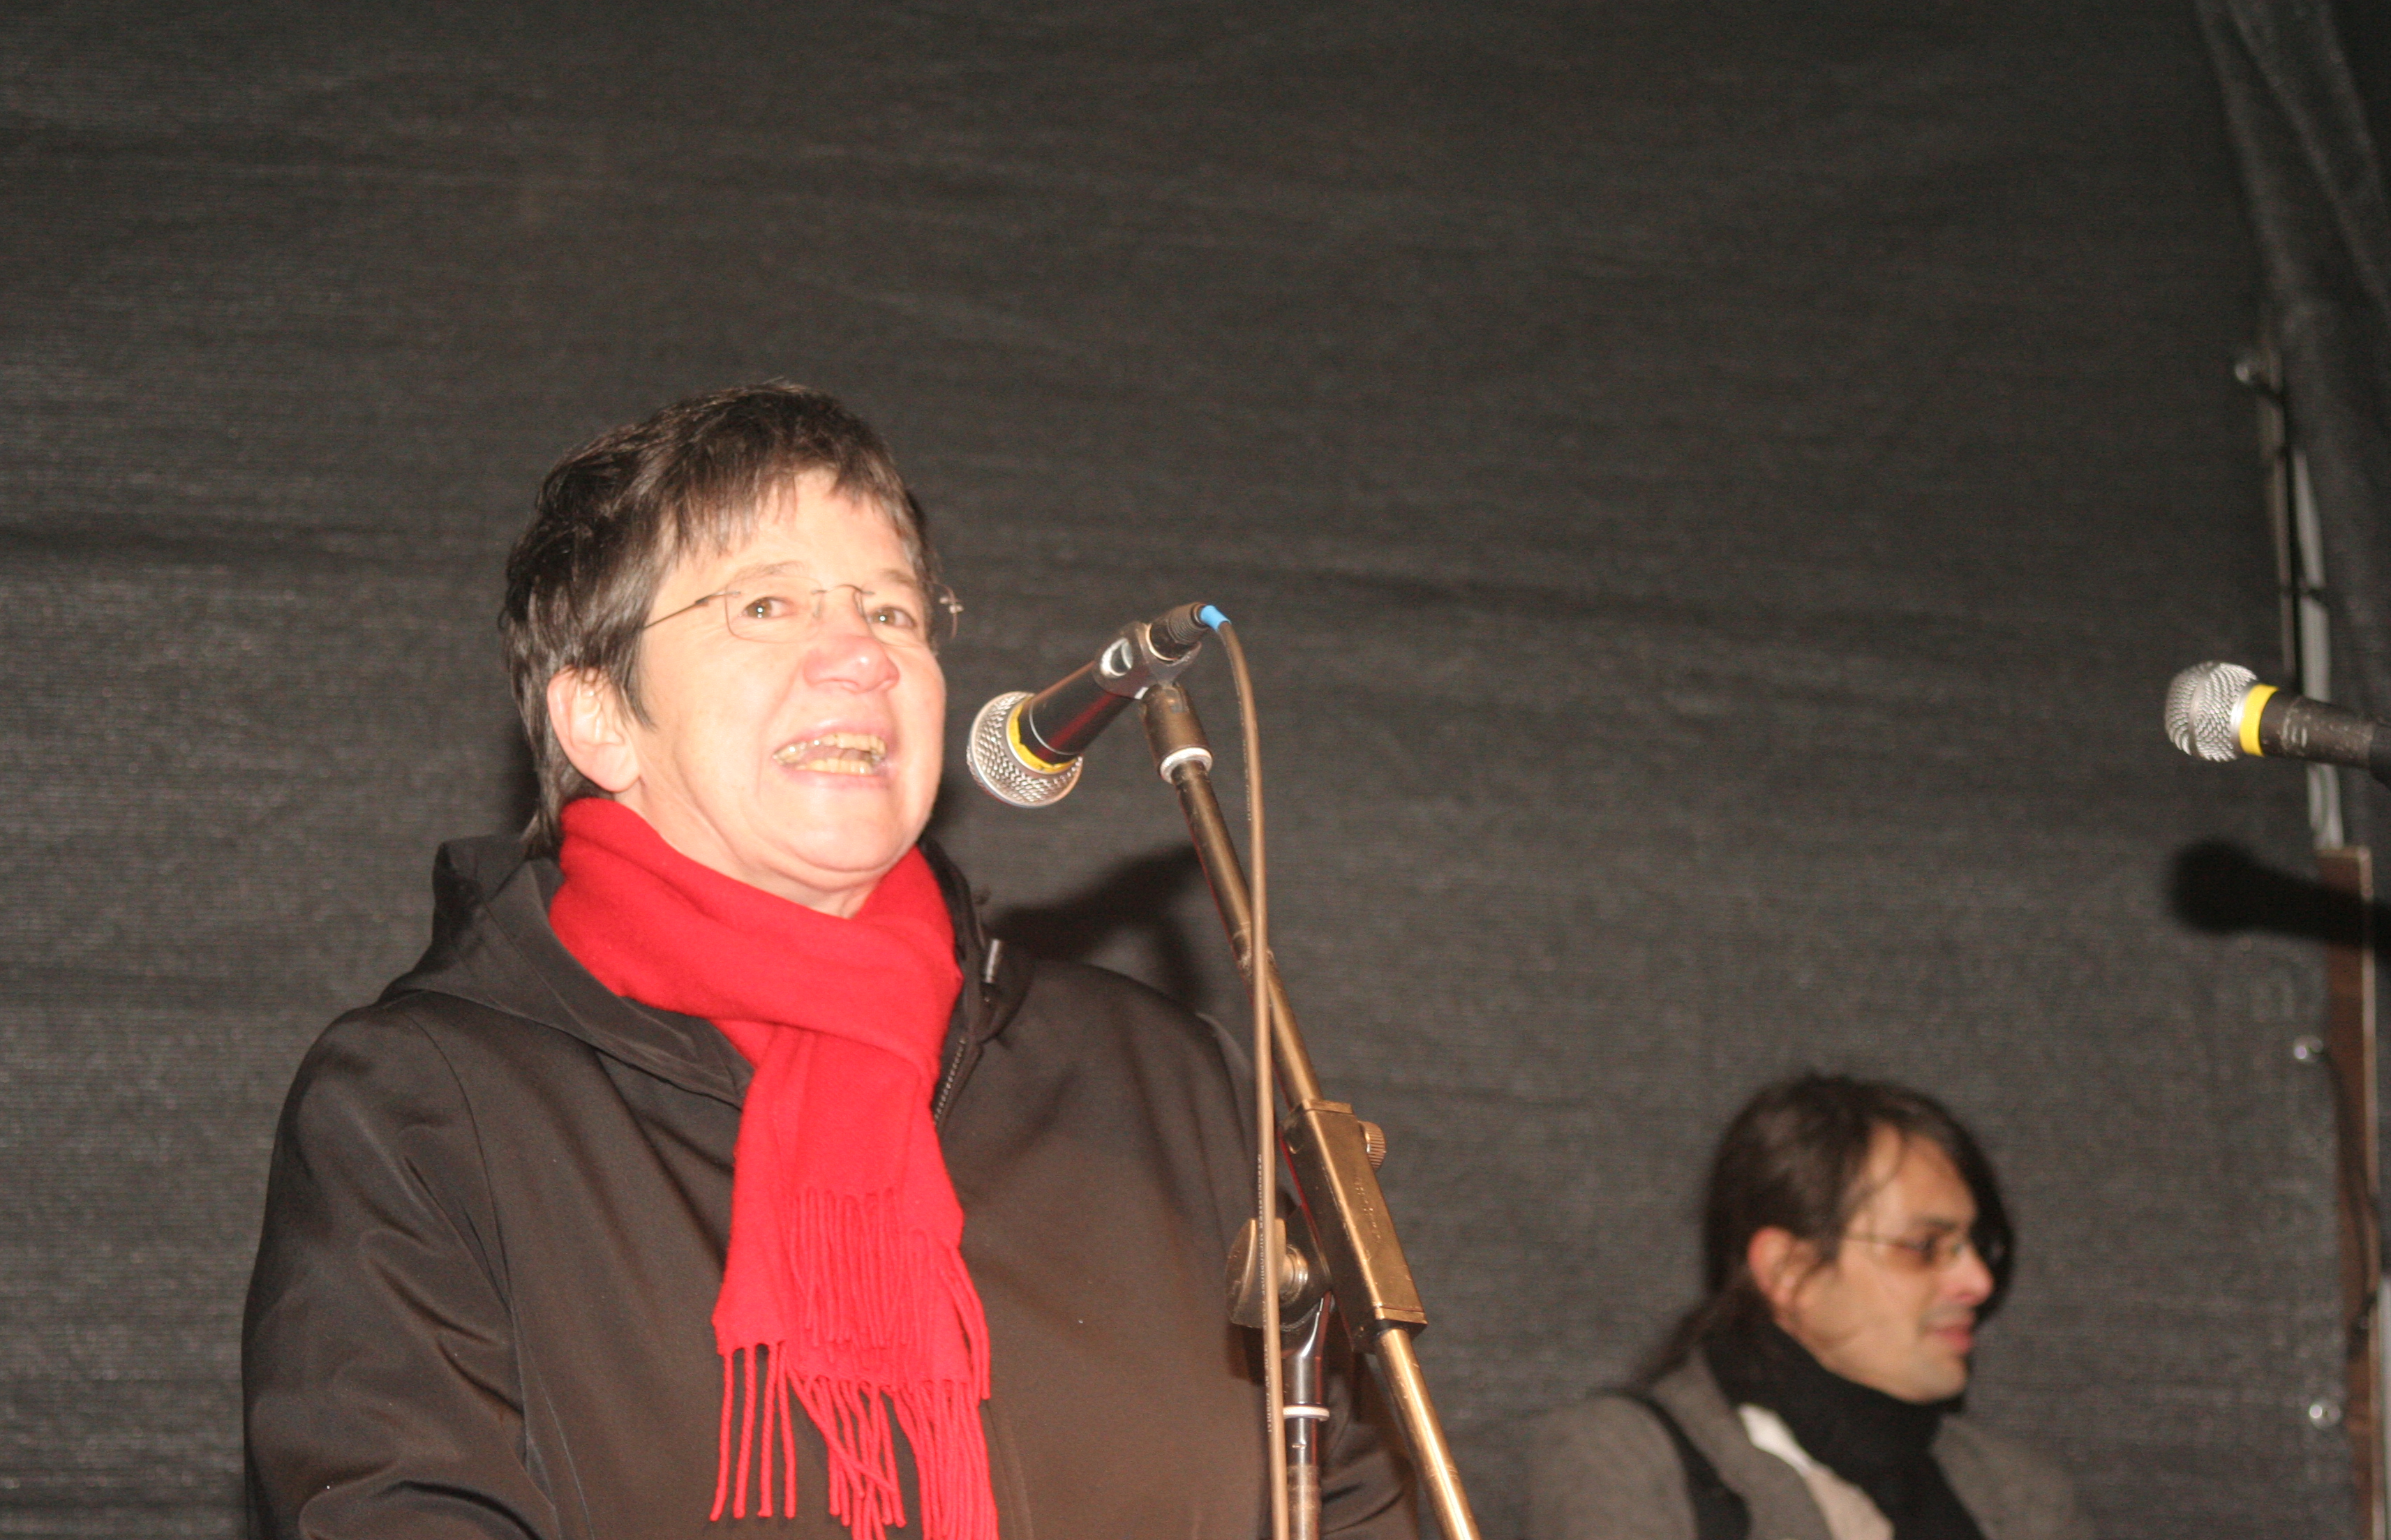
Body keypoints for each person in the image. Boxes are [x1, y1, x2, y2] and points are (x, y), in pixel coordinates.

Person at [241, 384, 1415, 1540]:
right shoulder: (429, 1103)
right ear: (598, 715)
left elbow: (1353, 1499)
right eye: (765, 605)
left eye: (893, 612)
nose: (861, 655)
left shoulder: (1166, 1081)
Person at [1527, 1074, 2091, 1540]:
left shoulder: (2019, 1493)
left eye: (1976, 1246)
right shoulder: (1627, 1462)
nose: (1978, 1282)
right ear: (1789, 1271)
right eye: (1924, 1247)